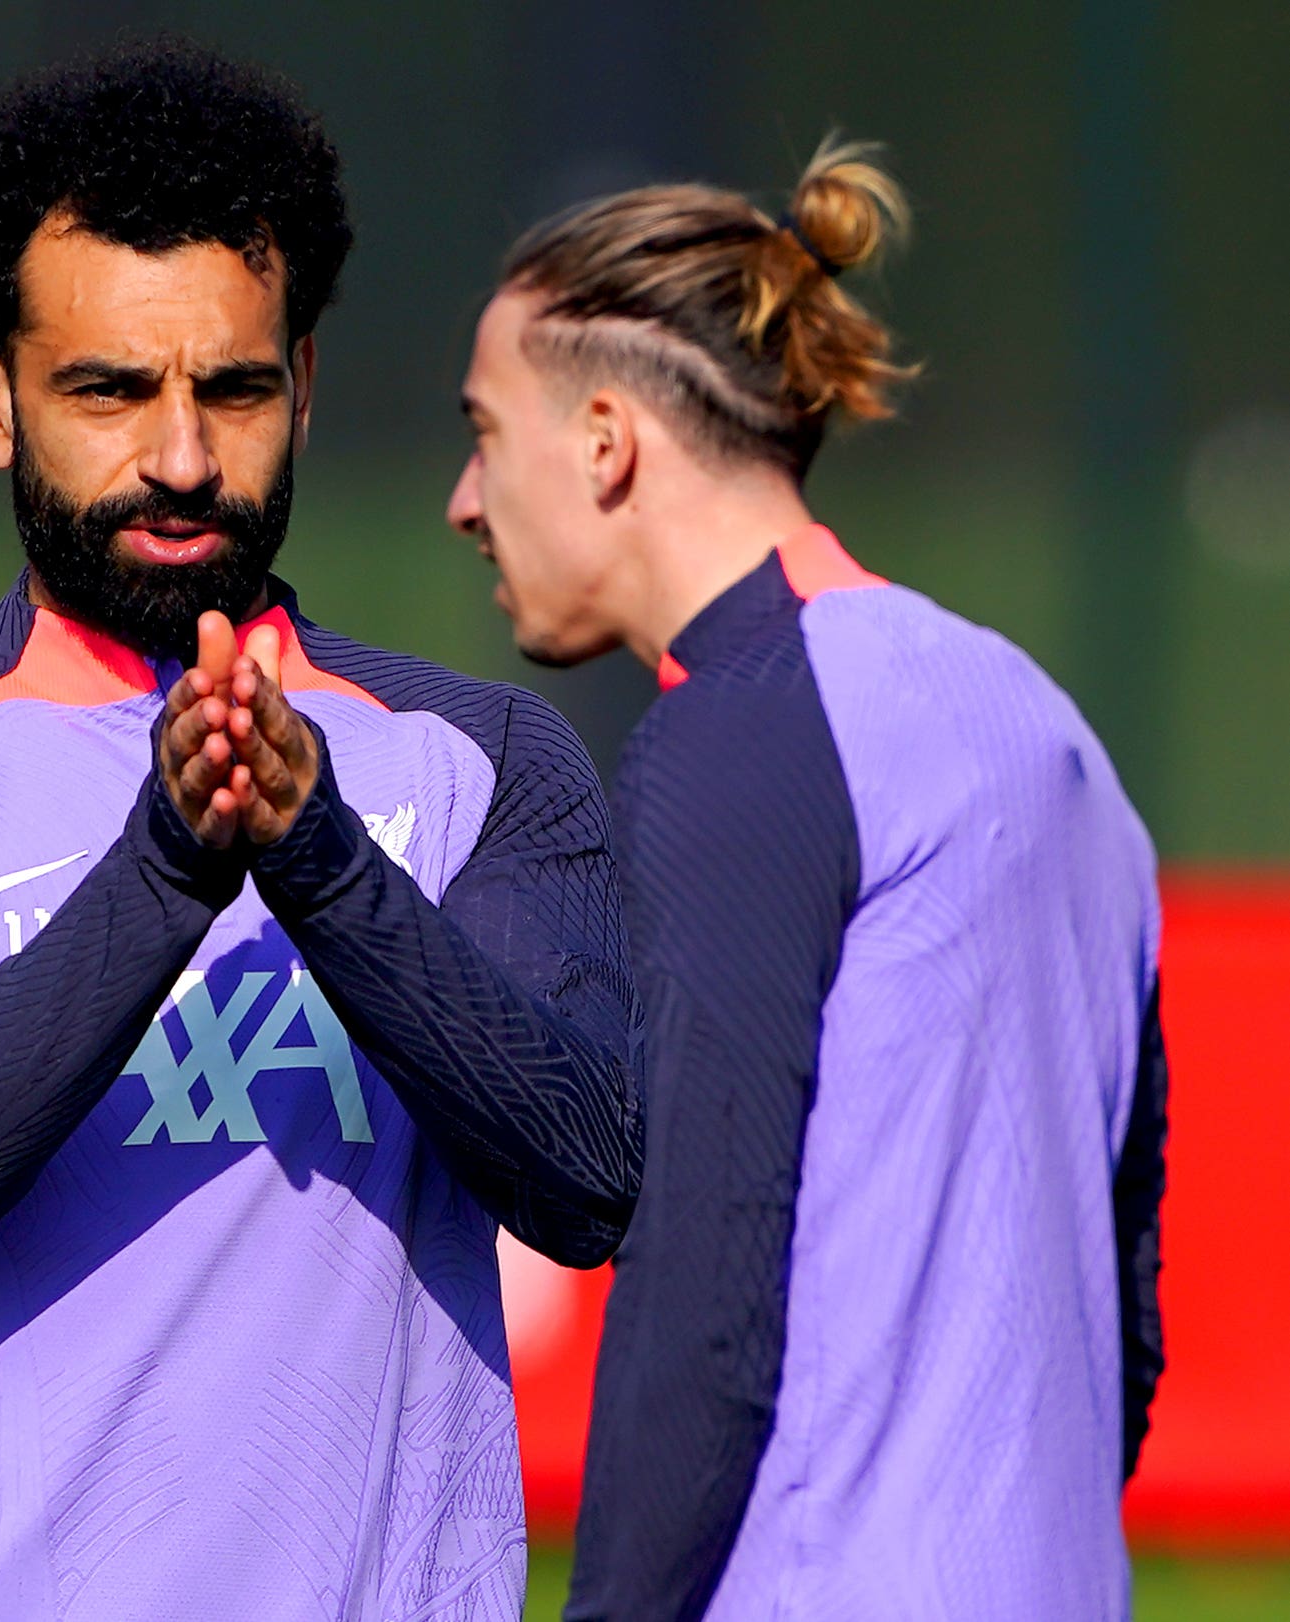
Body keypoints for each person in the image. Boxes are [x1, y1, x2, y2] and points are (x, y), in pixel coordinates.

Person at [0, 39, 640, 1618]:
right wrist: (172, 864)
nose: (183, 455)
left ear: (306, 385)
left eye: (236, 388)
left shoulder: (478, 759)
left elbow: (586, 1172)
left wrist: (319, 857)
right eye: (111, 391)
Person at [448, 140, 1167, 1620]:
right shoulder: (1042, 723)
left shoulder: (738, 733)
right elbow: (1128, 1289)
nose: (463, 498)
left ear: (600, 440)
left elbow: (701, 1302)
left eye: (481, 429)